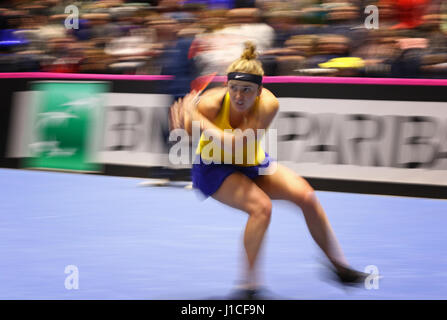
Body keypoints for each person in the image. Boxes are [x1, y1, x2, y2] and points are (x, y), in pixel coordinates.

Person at [169, 41, 368, 299]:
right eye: (234, 89)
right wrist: (183, 118)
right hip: (213, 167)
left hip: (250, 161)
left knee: (306, 196)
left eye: (247, 90)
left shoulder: (269, 105)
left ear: (260, 91)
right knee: (261, 208)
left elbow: (238, 143)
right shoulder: (209, 104)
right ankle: (248, 289)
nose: (239, 96)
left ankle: (340, 268)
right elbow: (183, 130)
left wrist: (196, 118)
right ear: (226, 87)